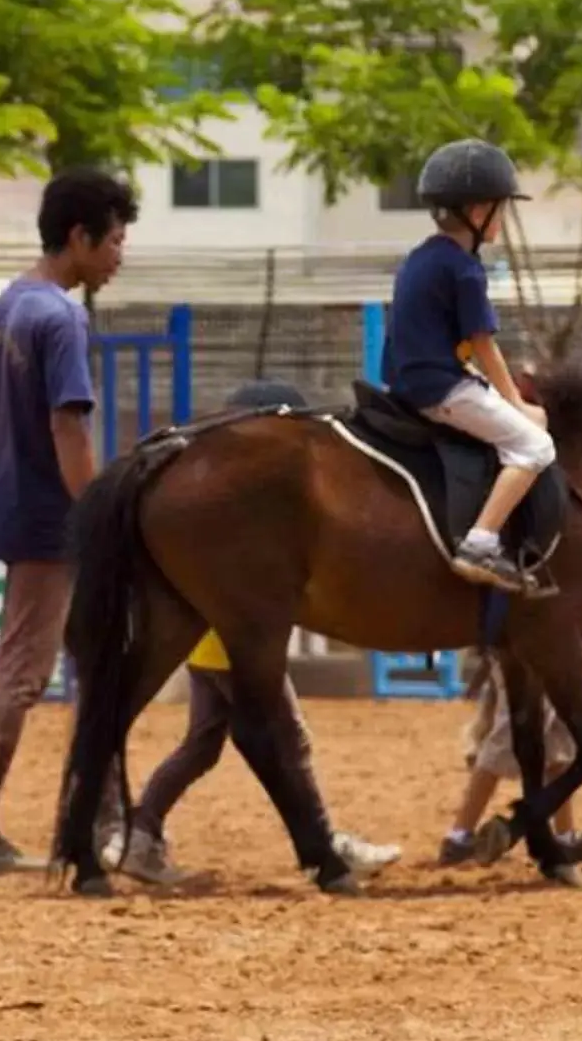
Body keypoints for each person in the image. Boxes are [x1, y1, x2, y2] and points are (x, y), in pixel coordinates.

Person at [112, 379, 404, 888]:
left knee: (204, 743)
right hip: (227, 641)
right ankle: (324, 844)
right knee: (287, 737)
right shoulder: (238, 510)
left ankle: (141, 834)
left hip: (209, 644)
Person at [0, 168, 136, 876]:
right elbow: (70, 434)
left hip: (9, 509)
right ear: (79, 237)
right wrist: (101, 519)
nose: (120, 254)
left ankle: (104, 814)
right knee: (22, 672)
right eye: (114, 239)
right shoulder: (59, 316)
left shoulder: (3, 308)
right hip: (50, 518)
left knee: (94, 658)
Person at [382, 140, 557, 595]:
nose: (504, 218)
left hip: (410, 380)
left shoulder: (422, 256)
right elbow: (484, 345)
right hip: (439, 389)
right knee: (535, 447)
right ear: (478, 212)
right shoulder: (464, 270)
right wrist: (517, 405)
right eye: (501, 209)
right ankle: (480, 542)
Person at [437, 667, 582, 869]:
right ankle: (460, 836)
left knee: (559, 738)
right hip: (531, 648)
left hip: (557, 651)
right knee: (509, 735)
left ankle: (565, 836)